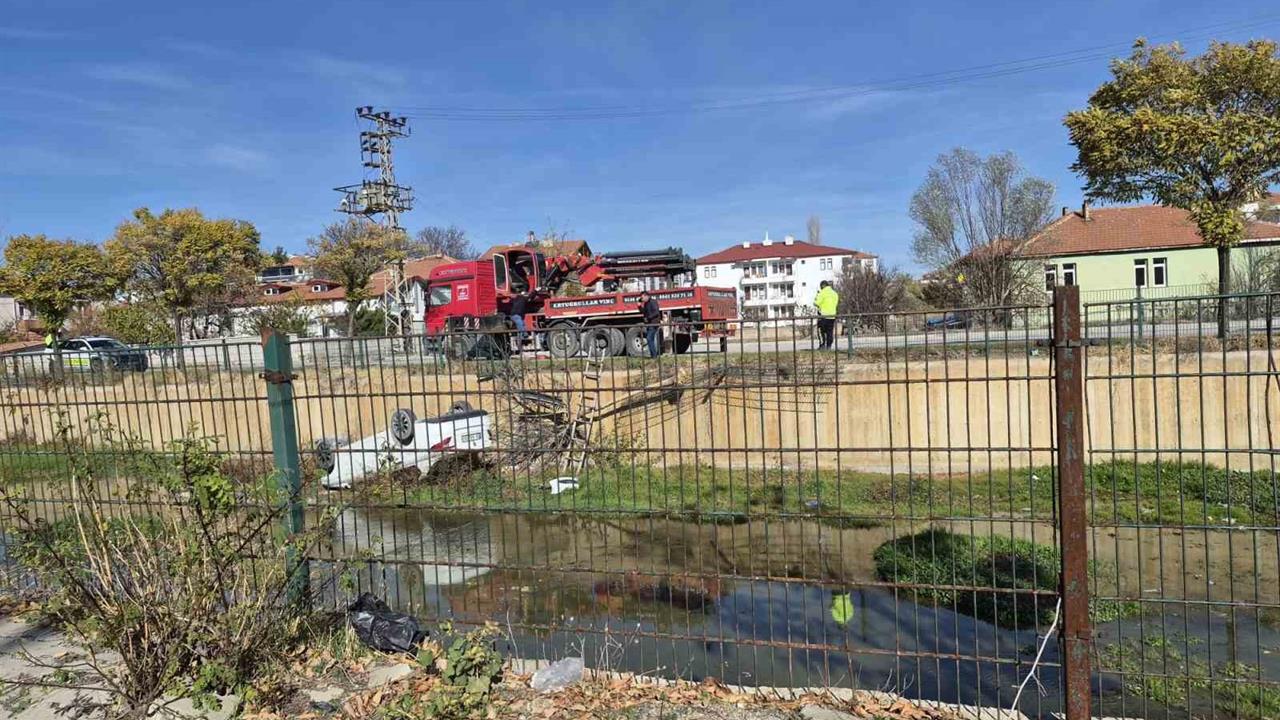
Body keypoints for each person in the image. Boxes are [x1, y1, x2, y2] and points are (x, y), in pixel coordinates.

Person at [814, 280, 839, 350]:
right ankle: (829, 346)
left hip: (823, 315)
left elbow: (816, 303)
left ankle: (822, 345)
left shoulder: (822, 293)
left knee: (820, 330)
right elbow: (836, 303)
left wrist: (817, 297)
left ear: (822, 286)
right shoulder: (835, 293)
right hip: (832, 315)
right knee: (829, 332)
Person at [639, 290, 662, 358]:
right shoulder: (646, 304)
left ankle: (654, 355)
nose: (642, 299)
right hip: (649, 323)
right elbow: (644, 312)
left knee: (649, 338)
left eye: (642, 298)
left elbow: (656, 312)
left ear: (647, 296)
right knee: (650, 339)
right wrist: (639, 307)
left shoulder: (653, 302)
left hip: (654, 323)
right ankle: (653, 355)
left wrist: (648, 318)